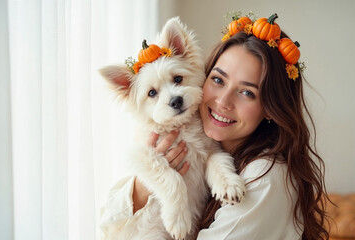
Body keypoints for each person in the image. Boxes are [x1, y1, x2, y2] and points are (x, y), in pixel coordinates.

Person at [101, 15, 328, 240]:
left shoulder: (264, 177)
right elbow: (108, 222)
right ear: (205, 75)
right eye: (218, 80)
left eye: (247, 92)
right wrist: (143, 189)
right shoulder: (208, 140)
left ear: (271, 106)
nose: (222, 101)